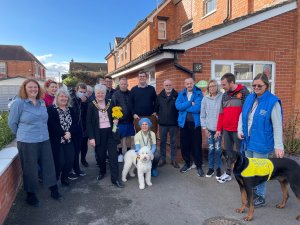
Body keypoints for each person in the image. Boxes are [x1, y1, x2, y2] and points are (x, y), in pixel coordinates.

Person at [8, 79, 62, 207]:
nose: (33, 89)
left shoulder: (42, 102)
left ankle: (53, 189)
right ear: (24, 89)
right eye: (30, 87)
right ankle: (30, 195)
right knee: (30, 169)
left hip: (44, 139)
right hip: (27, 141)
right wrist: (22, 134)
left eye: (35, 87)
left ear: (39, 89)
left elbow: (44, 121)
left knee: (49, 165)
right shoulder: (19, 104)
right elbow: (12, 123)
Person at [238, 73, 284, 207]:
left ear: (266, 86)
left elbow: (277, 125)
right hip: (248, 141)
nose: (256, 87)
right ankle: (252, 192)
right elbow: (243, 115)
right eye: (254, 85)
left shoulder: (272, 102)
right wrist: (240, 130)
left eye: (259, 85)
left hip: (262, 142)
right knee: (249, 168)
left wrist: (279, 146)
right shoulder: (250, 98)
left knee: (261, 170)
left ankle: (261, 196)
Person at [86, 84, 124, 188]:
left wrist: (116, 119)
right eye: (98, 93)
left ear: (105, 93)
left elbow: (116, 114)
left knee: (113, 156)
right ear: (95, 93)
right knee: (101, 156)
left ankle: (115, 179)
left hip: (110, 133)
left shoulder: (110, 103)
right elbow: (88, 122)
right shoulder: (91, 105)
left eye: (102, 93)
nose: (100, 95)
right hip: (98, 134)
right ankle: (102, 172)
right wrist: (91, 137)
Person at [215, 73, 249, 184]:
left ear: (232, 82)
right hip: (226, 129)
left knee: (240, 153)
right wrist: (219, 129)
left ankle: (243, 174)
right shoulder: (224, 95)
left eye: (224, 84)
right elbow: (221, 113)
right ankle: (228, 173)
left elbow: (246, 113)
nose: (222, 87)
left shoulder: (244, 92)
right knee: (228, 152)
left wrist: (243, 129)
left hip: (238, 130)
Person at [175, 78, 204, 177]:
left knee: (196, 144)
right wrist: (189, 103)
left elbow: (197, 108)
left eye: (190, 83)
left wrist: (185, 107)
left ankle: (198, 165)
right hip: (183, 123)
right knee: (184, 144)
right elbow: (178, 106)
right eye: (187, 83)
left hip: (195, 124)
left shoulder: (199, 93)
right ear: (185, 84)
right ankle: (187, 163)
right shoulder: (181, 94)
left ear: (193, 83)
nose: (189, 85)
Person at [47, 88, 76, 186]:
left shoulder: (70, 109)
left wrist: (70, 133)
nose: (64, 98)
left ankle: (64, 178)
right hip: (57, 141)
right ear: (57, 97)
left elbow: (75, 123)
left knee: (70, 160)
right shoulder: (51, 109)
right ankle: (54, 182)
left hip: (69, 140)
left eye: (65, 96)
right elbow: (52, 125)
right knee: (60, 162)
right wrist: (64, 134)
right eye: (61, 96)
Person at [200, 80, 223, 178]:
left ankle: (218, 168)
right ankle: (210, 168)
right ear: (208, 88)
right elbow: (202, 115)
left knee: (218, 149)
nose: (212, 88)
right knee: (211, 149)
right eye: (210, 86)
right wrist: (205, 128)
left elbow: (223, 113)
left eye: (214, 86)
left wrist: (220, 128)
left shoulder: (222, 97)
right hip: (209, 129)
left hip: (218, 129)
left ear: (217, 87)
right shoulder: (205, 99)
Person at [155, 79, 179, 168]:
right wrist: (159, 116)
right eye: (166, 85)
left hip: (174, 123)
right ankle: (162, 159)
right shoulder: (159, 96)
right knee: (162, 142)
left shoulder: (177, 96)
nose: (168, 87)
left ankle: (173, 159)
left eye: (170, 85)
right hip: (163, 123)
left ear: (172, 86)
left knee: (173, 142)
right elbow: (156, 108)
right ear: (163, 86)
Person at [111, 77, 135, 162]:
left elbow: (133, 105)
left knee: (129, 137)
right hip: (119, 121)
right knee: (119, 138)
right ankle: (120, 154)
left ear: (127, 85)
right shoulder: (115, 94)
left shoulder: (131, 93)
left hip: (129, 120)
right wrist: (115, 119)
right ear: (119, 85)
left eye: (125, 84)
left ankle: (128, 153)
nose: (124, 85)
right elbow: (112, 107)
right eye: (122, 84)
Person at [69, 83, 88, 178]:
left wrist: (84, 102)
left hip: (81, 129)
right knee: (74, 151)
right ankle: (72, 170)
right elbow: (75, 114)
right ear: (76, 90)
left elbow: (85, 113)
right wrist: (81, 101)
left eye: (84, 92)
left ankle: (76, 168)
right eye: (81, 92)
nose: (82, 94)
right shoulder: (72, 99)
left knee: (79, 149)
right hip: (72, 129)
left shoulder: (83, 100)